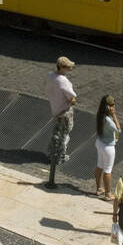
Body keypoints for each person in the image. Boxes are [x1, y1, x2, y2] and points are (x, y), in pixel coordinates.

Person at [46, 57, 77, 185]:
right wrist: (73, 101)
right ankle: (60, 157)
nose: (70, 68)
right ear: (62, 67)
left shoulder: (51, 76)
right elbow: (72, 98)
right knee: (64, 134)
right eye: (68, 66)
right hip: (64, 112)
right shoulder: (63, 81)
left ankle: (51, 153)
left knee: (56, 132)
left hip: (55, 109)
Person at [94, 95, 121, 200]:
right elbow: (118, 130)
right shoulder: (109, 120)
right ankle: (108, 194)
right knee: (108, 170)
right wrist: (114, 116)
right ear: (108, 107)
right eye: (112, 105)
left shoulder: (100, 115)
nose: (114, 107)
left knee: (99, 165)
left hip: (99, 143)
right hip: (108, 147)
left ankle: (99, 189)